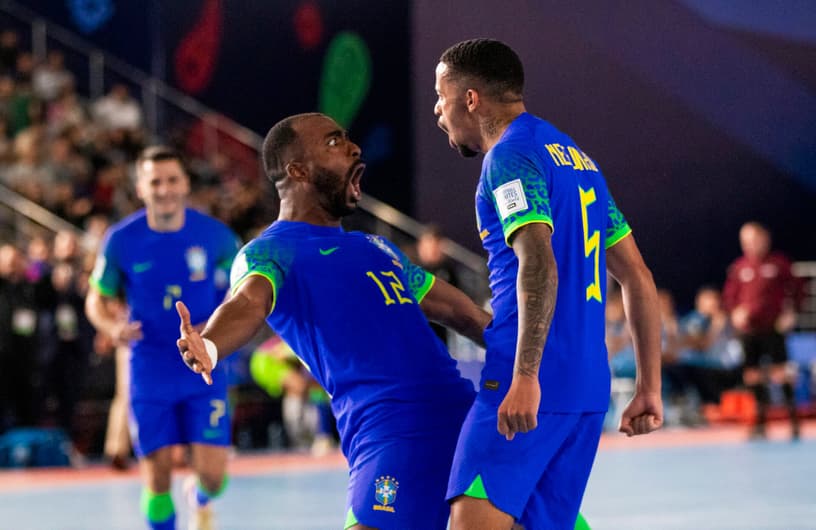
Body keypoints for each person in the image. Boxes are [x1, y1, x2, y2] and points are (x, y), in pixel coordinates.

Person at [176, 112, 492, 530]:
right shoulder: (270, 253)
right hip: (390, 435)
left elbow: (462, 313)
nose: (353, 147)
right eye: (333, 141)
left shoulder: (377, 248)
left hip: (464, 419)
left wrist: (536, 354)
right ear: (297, 170)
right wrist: (211, 344)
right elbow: (248, 300)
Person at [433, 38, 664, 529]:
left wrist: (525, 377)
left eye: (441, 95)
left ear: (470, 99)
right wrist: (649, 386)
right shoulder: (577, 160)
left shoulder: (509, 157)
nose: (438, 110)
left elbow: (537, 264)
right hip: (586, 387)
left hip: (528, 382)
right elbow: (637, 277)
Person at [85, 146, 240, 530]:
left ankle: (199, 498)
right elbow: (96, 300)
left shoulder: (216, 237)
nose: (165, 189)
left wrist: (222, 327)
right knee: (156, 480)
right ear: (141, 188)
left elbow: (245, 290)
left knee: (214, 479)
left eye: (172, 180)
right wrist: (111, 328)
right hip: (149, 369)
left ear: (185, 183)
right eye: (155, 182)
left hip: (202, 367)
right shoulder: (121, 240)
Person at [722, 221, 804, 440]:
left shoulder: (779, 263)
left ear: (765, 239)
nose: (750, 244)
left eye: (754, 239)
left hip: (773, 329)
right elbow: (729, 298)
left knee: (781, 372)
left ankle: (792, 419)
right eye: (745, 241)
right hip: (749, 331)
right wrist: (735, 313)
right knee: (752, 374)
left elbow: (798, 289)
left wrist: (791, 314)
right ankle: (760, 421)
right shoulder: (739, 267)